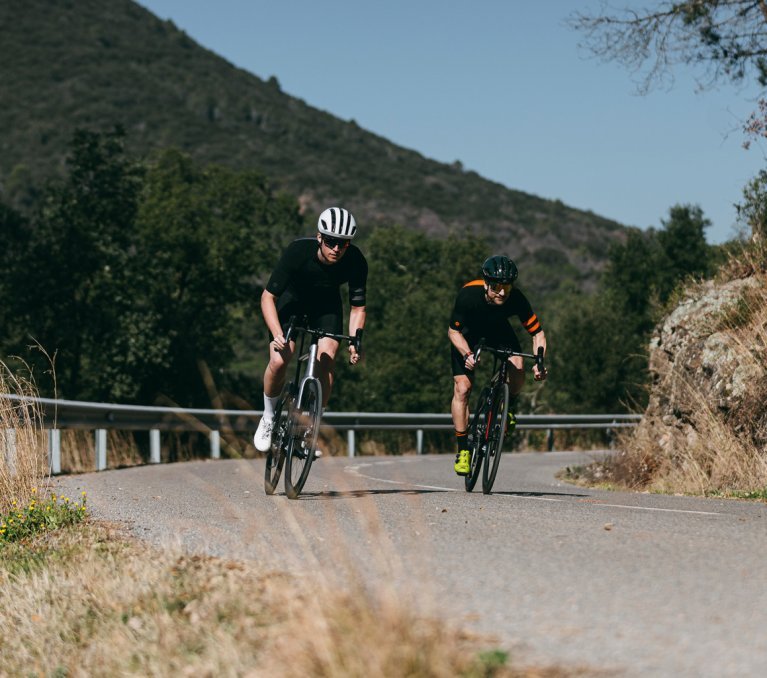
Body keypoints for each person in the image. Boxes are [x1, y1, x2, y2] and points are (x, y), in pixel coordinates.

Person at [253, 206, 368, 453]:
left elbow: (358, 308)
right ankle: (269, 416)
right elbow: (267, 297)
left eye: (343, 243)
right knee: (280, 360)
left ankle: (310, 427)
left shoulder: (356, 261)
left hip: (326, 306)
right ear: (319, 237)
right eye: (331, 241)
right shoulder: (298, 252)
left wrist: (355, 341)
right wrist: (276, 335)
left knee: (327, 359)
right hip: (292, 301)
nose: (336, 248)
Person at [448, 254, 547, 475]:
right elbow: (453, 331)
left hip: (497, 331)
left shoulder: (517, 299)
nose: (502, 292)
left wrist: (539, 362)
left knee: (518, 364)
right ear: (486, 283)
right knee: (462, 388)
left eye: (507, 287)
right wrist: (466, 354)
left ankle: (509, 408)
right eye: (496, 287)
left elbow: (537, 333)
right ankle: (463, 451)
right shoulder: (468, 295)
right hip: (467, 336)